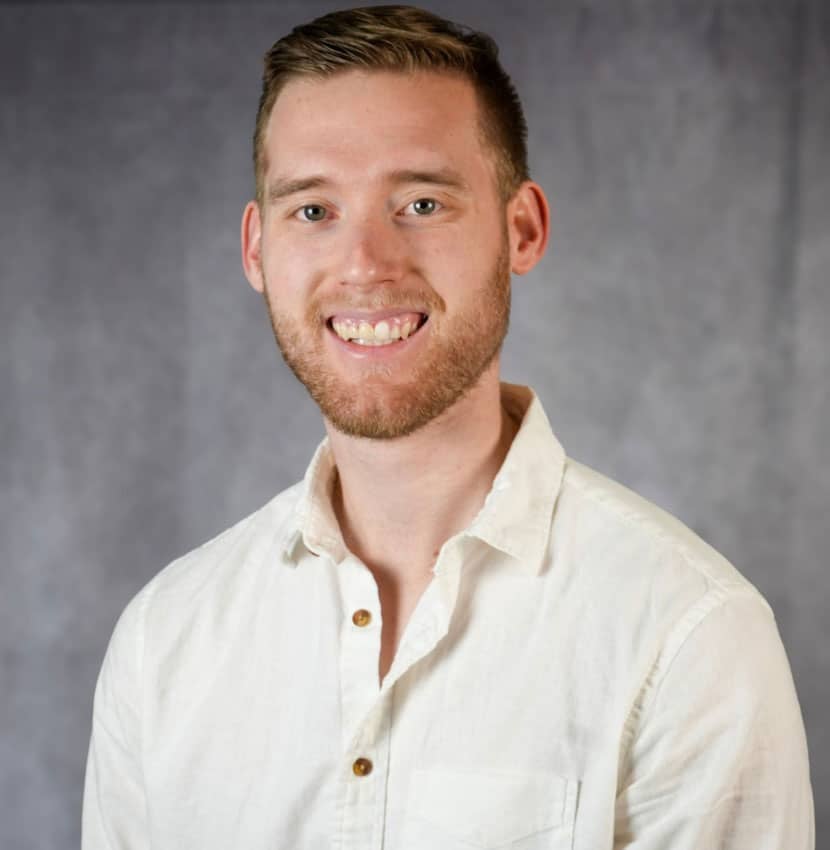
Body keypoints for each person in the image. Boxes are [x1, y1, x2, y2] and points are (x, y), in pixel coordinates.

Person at [82, 5, 814, 849]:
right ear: (257, 251)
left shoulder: (688, 638)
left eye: (422, 202)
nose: (366, 265)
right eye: (313, 212)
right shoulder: (162, 641)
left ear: (522, 230)